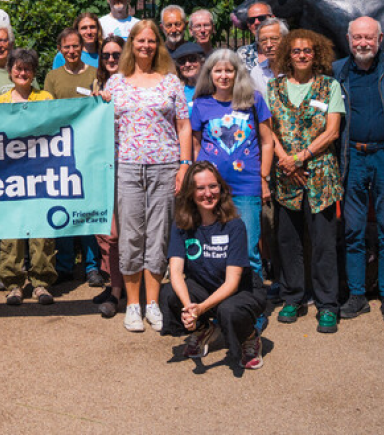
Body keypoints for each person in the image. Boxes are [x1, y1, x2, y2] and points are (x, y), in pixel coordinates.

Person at [101, 20, 191, 333]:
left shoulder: (171, 82)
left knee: (158, 236)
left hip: (164, 166)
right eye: (140, 40)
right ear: (132, 44)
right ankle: (132, 305)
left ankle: (152, 304)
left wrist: (184, 164)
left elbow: (183, 125)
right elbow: (101, 126)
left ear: (158, 45)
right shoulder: (115, 83)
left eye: (151, 41)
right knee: (130, 236)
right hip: (125, 167)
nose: (146, 46)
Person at [333, 17, 384, 326]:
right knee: (353, 229)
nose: (363, 43)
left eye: (369, 37)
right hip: (351, 157)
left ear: (380, 38)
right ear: (348, 38)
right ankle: (356, 295)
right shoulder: (338, 70)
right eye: (357, 38)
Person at [268, 29, 344, 333]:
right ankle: (292, 297)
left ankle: (327, 305)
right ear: (288, 53)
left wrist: (299, 157)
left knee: (324, 243)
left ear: (317, 55)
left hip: (320, 175)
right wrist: (285, 158)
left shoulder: (329, 87)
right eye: (296, 50)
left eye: (308, 51)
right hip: (285, 176)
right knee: (288, 241)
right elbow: (267, 129)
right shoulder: (273, 88)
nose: (301, 55)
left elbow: (333, 131)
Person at [159, 162, 265, 368]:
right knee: (170, 293)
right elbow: (176, 273)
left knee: (229, 311)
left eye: (213, 186)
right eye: (200, 188)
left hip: (241, 290)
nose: (208, 193)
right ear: (190, 192)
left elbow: (232, 283)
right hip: (204, 286)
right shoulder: (181, 224)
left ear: (221, 189)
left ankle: (250, 337)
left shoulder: (234, 225)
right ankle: (202, 330)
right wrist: (190, 308)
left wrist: (200, 308)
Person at [191, 50, 273, 287]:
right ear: (210, 74)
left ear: (238, 73)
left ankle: (254, 304)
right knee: (213, 248)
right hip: (210, 189)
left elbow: (267, 141)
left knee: (248, 249)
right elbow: (196, 144)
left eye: (229, 70)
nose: (224, 75)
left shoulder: (254, 101)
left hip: (246, 186)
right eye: (218, 70)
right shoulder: (201, 104)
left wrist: (264, 177)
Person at [0, 49, 58, 305]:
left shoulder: (46, 98)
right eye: (18, 69)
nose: (22, 73)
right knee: (12, 233)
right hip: (9, 177)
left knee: (42, 232)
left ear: (34, 73)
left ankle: (42, 283)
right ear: (10, 71)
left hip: (41, 174)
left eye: (27, 69)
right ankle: (13, 284)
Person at [92, 36, 125, 317]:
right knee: (109, 232)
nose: (111, 60)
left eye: (116, 54)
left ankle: (122, 290)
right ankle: (116, 286)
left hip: (131, 164)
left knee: (128, 232)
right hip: (104, 167)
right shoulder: (98, 85)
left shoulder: (133, 83)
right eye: (106, 56)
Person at [44, 28, 97, 101]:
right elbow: (49, 107)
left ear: (81, 47)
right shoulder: (52, 77)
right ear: (60, 49)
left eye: (75, 46)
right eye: (67, 47)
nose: (71, 51)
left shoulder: (95, 74)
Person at [249, 18, 288, 100]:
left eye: (274, 39)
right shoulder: (257, 72)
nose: (269, 45)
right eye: (263, 40)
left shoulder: (297, 69)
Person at [236, 1, 275, 71]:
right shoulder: (242, 54)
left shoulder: (286, 51)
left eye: (261, 18)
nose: (256, 22)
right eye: (251, 20)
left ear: (273, 19)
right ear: (248, 25)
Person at [172, 42, 205, 111]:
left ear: (202, 62)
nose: (187, 64)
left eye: (192, 59)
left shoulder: (212, 87)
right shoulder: (177, 91)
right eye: (182, 61)